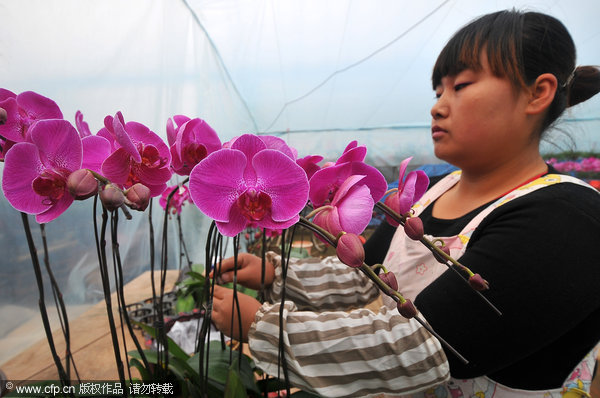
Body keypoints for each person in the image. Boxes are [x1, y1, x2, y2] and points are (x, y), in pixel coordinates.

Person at [210, 9, 600, 397]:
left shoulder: (567, 219)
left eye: (460, 85)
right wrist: (275, 275)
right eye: (438, 91)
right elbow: (368, 275)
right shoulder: (433, 190)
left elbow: (416, 347)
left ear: (538, 92)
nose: (438, 106)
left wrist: (264, 328)